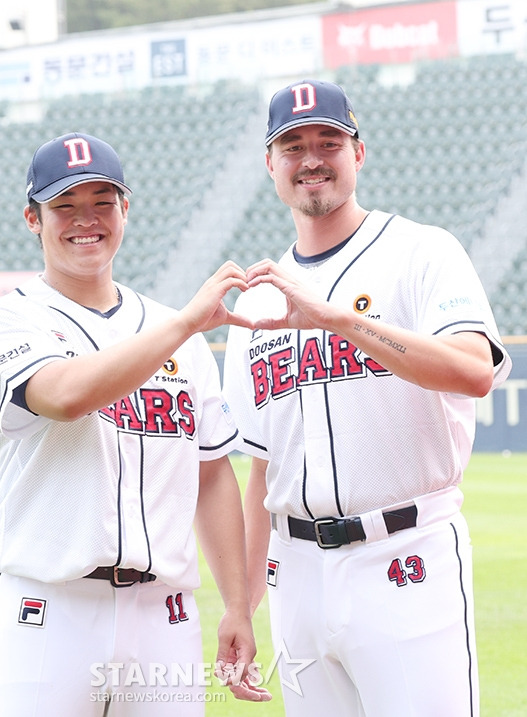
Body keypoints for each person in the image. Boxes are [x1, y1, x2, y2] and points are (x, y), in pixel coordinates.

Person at [223, 80, 512, 716]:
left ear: (360, 153)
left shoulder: (422, 251)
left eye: (329, 140)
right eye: (291, 145)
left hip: (405, 555)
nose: (311, 158)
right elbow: (260, 469)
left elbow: (473, 370)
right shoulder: (258, 302)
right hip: (294, 569)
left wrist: (339, 320)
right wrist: (240, 606)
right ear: (270, 165)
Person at [0, 132, 269, 716]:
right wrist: (183, 326)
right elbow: (66, 395)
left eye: (103, 201)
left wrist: (237, 604)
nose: (87, 221)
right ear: (33, 218)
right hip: (51, 612)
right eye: (65, 206)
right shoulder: (3, 322)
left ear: (125, 209)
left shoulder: (173, 329)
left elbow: (210, 476)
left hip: (164, 616)